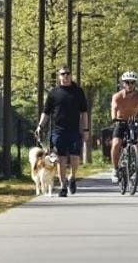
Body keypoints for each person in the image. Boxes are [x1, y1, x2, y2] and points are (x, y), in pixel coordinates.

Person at [36, 65, 89, 197]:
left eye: (67, 73)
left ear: (71, 75)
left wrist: (86, 129)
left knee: (75, 157)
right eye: (62, 74)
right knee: (60, 159)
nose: (65, 76)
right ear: (59, 76)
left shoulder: (78, 91)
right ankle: (63, 186)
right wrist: (40, 126)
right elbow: (46, 112)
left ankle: (72, 177)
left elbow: (84, 112)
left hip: (74, 130)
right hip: (58, 131)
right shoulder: (53, 93)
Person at [110, 71, 138, 184]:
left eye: (132, 82)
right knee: (116, 144)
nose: (129, 85)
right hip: (120, 122)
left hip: (133, 121)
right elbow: (114, 108)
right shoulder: (118, 96)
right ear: (123, 84)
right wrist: (114, 118)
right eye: (127, 82)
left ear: (135, 84)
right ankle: (115, 169)